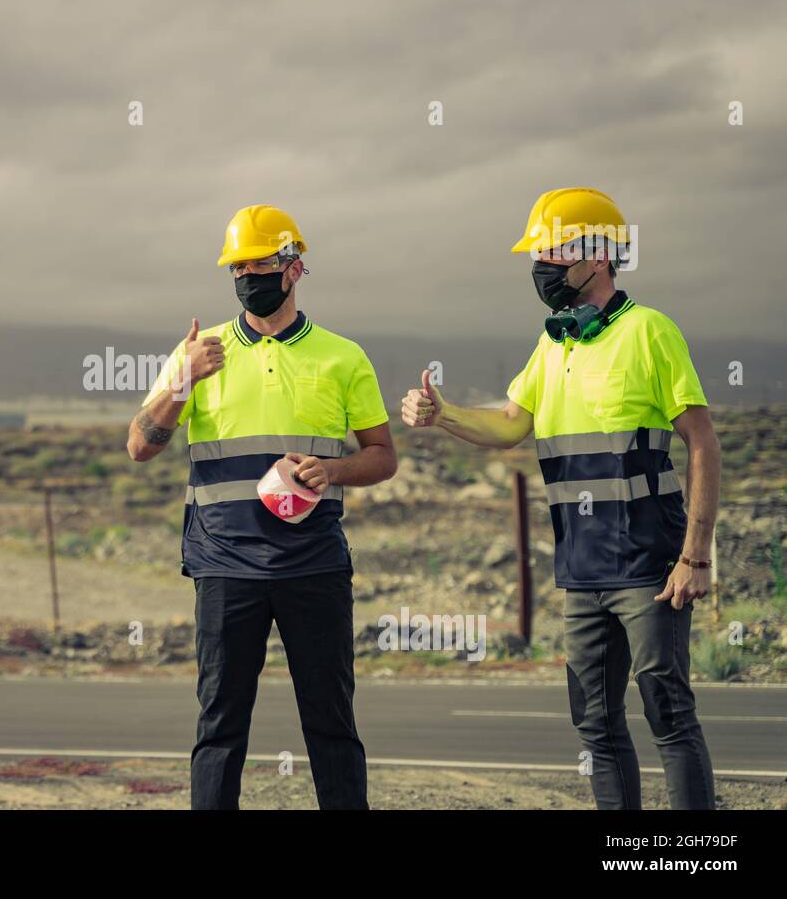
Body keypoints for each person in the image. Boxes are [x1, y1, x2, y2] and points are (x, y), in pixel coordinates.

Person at [401, 188, 719, 809]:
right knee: (595, 726)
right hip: (581, 570)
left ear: (597, 256)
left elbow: (703, 444)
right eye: (538, 253)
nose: (540, 265)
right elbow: (510, 424)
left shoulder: (650, 331)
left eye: (552, 251)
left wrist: (696, 556)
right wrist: (443, 416)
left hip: (651, 565)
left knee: (668, 715)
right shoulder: (555, 343)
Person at [128, 205, 397, 809]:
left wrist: (331, 470)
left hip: (315, 566)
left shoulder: (343, 356)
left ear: (295, 267)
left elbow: (382, 456)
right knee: (220, 728)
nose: (250, 275)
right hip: (224, 567)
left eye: (263, 263)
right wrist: (182, 382)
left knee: (331, 726)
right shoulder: (199, 351)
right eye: (238, 266)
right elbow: (140, 446)